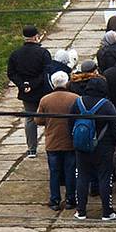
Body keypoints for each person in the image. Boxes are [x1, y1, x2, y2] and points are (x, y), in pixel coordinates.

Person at [69, 63, 116, 221]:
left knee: (82, 177)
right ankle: (107, 212)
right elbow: (115, 128)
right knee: (105, 178)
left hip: (81, 146)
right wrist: (115, 144)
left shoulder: (78, 102)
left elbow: (69, 124)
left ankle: (81, 211)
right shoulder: (107, 105)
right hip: (103, 147)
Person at [34, 71, 79, 211]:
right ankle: (71, 199)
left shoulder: (45, 100)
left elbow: (38, 120)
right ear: (67, 82)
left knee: (54, 172)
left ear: (53, 83)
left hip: (52, 141)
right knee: (70, 171)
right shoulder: (75, 98)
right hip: (70, 141)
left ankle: (54, 200)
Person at [7, 25, 52, 157]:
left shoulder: (15, 54)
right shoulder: (43, 53)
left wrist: (23, 85)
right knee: (49, 119)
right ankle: (51, 146)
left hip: (26, 92)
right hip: (42, 91)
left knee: (30, 119)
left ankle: (31, 149)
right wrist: (34, 84)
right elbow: (46, 72)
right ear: (35, 37)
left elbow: (11, 73)